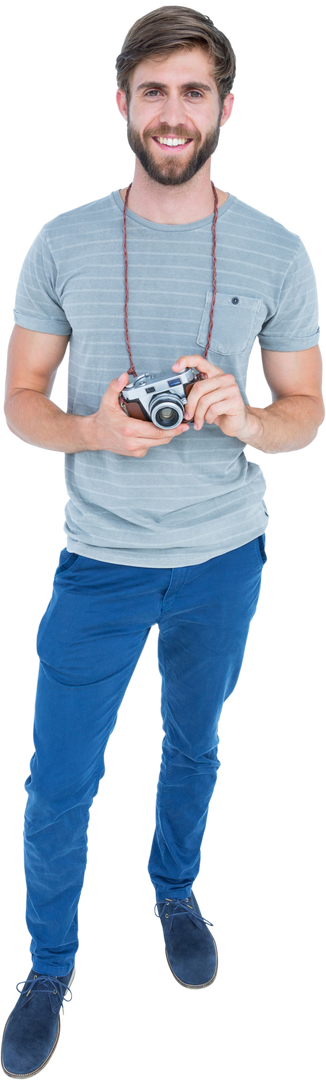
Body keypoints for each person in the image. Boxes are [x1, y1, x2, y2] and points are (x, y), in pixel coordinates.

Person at [1, 2, 324, 1074]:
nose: (172, 112)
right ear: (120, 107)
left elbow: (306, 414)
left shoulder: (277, 249)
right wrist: (86, 427)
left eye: (193, 91)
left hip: (223, 560)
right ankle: (49, 967)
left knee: (194, 746)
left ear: (223, 107)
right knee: (58, 779)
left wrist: (245, 418)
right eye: (152, 92)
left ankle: (175, 892)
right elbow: (15, 399)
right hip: (94, 564)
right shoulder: (63, 238)